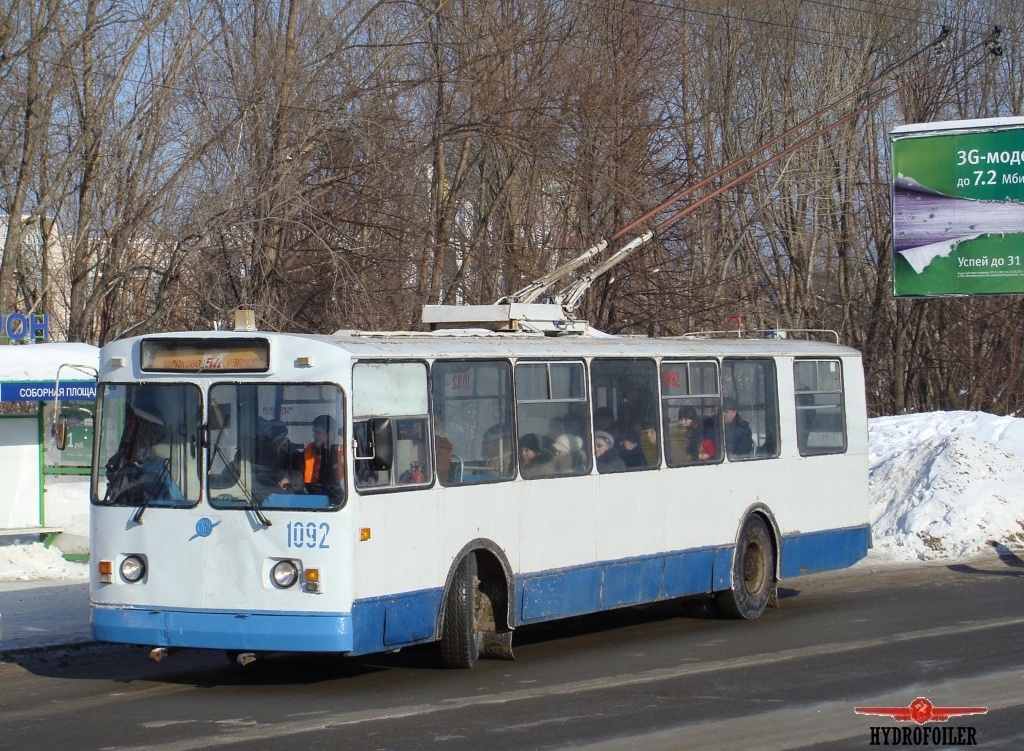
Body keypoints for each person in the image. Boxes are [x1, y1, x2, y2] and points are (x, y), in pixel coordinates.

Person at [302, 414, 344, 492]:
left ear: (330, 433)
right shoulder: (310, 449)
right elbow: (297, 468)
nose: (314, 436)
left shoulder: (343, 452)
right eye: (314, 432)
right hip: (312, 493)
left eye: (318, 432)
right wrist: (288, 478)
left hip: (339, 495)